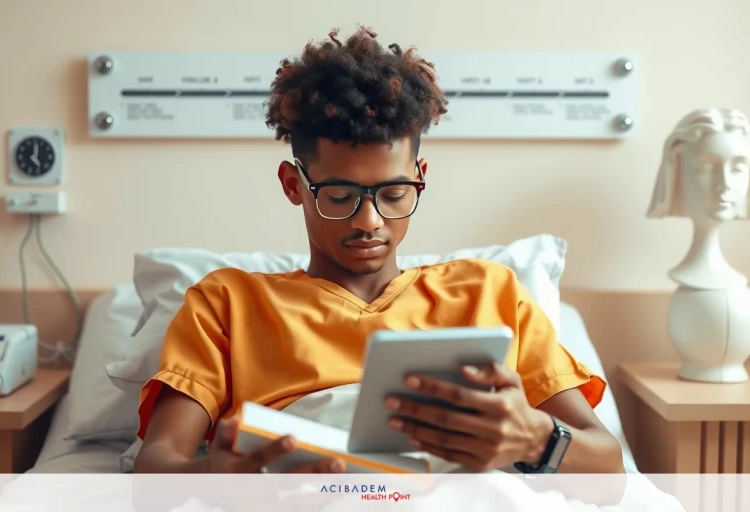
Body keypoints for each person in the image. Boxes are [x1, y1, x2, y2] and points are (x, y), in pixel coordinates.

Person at [133, 27, 625, 480]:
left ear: (421, 178)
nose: (369, 221)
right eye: (339, 195)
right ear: (293, 185)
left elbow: (609, 471)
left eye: (393, 194)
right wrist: (217, 480)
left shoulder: (489, 293)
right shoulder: (227, 304)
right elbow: (154, 468)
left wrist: (537, 439)